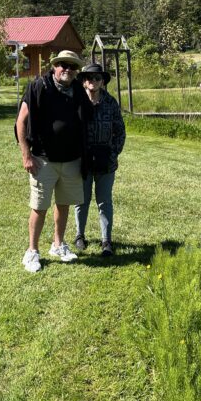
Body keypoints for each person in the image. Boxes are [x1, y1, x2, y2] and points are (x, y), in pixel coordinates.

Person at [16, 50, 93, 273]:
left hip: (71, 160)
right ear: (54, 66)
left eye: (72, 66)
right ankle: (32, 251)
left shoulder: (78, 90)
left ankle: (58, 245)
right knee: (39, 207)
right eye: (63, 65)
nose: (67, 69)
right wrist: (26, 156)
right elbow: (21, 122)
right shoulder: (38, 87)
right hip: (43, 160)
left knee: (64, 204)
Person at [73, 63, 126, 257]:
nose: (92, 81)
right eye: (89, 78)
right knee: (81, 200)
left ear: (102, 81)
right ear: (84, 82)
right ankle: (80, 235)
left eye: (97, 78)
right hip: (83, 160)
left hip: (106, 161)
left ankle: (106, 241)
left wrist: (113, 154)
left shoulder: (111, 103)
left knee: (104, 201)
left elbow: (120, 131)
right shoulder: (77, 102)